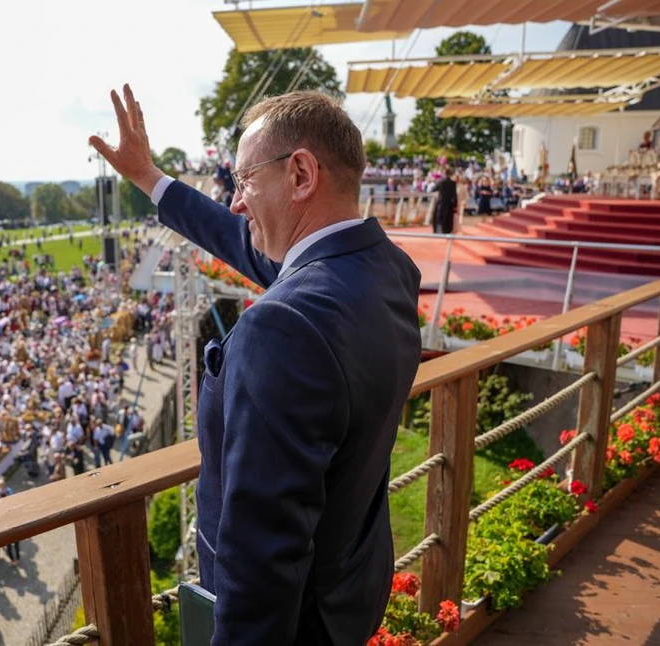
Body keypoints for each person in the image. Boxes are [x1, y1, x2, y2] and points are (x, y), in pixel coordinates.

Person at [89, 86, 420, 644]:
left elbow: (262, 554)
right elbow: (249, 244)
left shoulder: (283, 326)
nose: (236, 203)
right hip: (349, 593)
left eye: (243, 181)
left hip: (299, 623)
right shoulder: (386, 270)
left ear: (300, 175)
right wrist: (150, 177)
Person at [432, 167, 457, 234]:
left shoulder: (440, 182)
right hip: (449, 203)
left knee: (439, 217)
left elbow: (433, 189)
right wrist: (455, 205)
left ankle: (439, 231)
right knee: (448, 218)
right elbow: (454, 195)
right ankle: (447, 231)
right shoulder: (453, 183)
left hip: (441, 202)